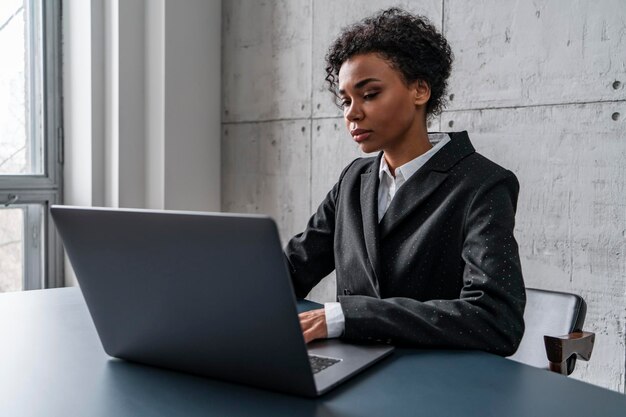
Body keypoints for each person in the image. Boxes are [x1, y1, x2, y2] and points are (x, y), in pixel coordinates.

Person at [285, 8, 525, 356]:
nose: (352, 112)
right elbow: (292, 270)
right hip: (350, 369)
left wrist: (345, 317)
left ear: (420, 90)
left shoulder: (482, 184)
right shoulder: (354, 180)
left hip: (429, 383)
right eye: (346, 100)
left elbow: (495, 320)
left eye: (369, 94)